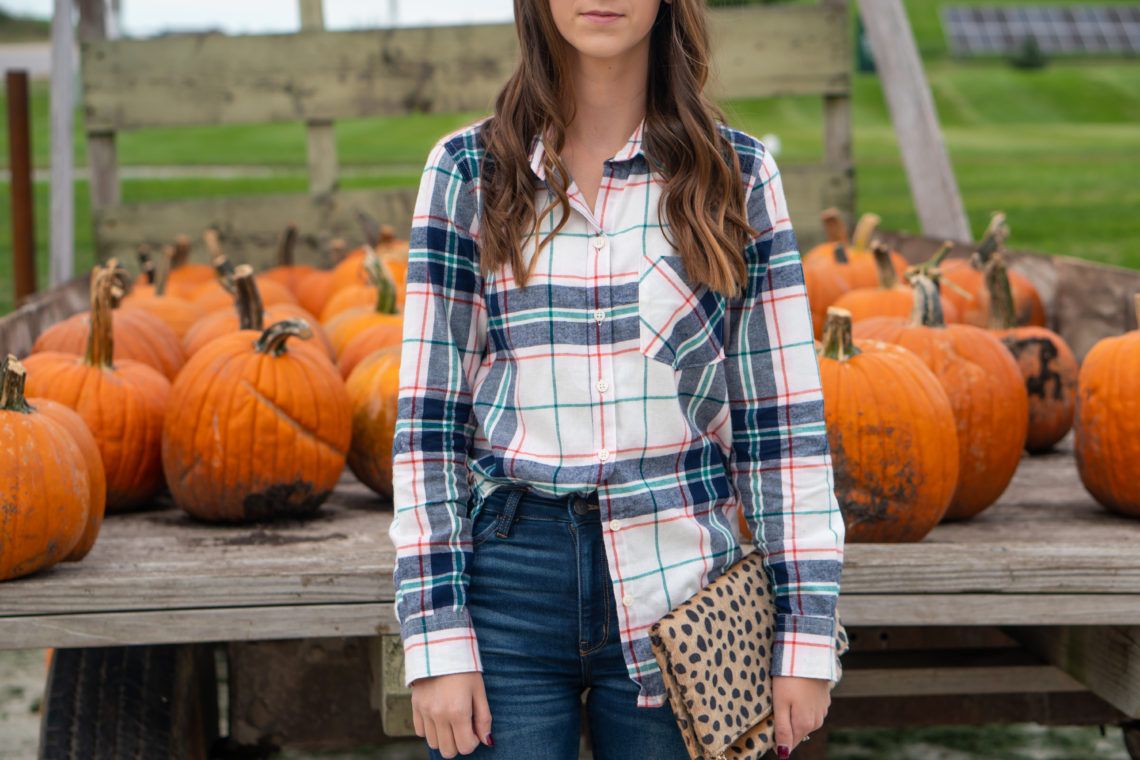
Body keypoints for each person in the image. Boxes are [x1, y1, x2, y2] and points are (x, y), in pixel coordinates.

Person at [389, 1, 846, 758]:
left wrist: (805, 636)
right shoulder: (469, 172)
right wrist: (436, 635)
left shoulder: (735, 174)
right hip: (509, 581)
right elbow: (430, 423)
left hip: (686, 586)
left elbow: (778, 430)